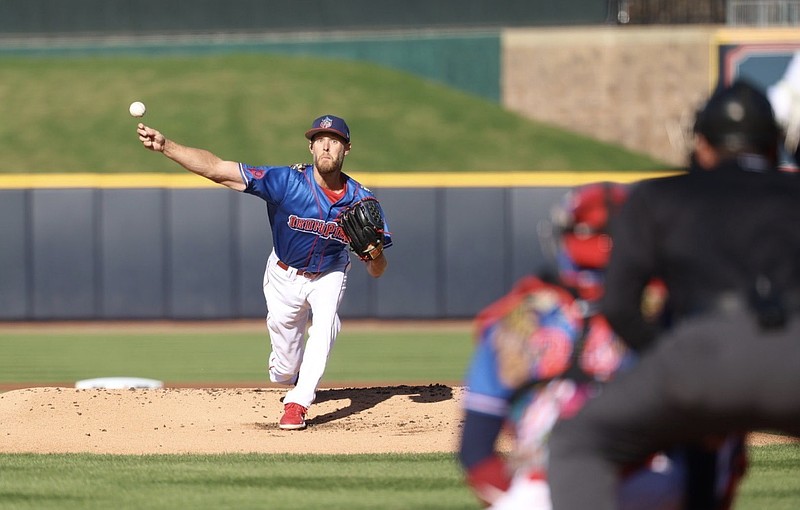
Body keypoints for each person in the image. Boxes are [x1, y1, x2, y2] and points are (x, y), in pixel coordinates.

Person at [547, 80, 800, 510]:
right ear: (775, 145)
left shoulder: (658, 195)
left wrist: (670, 359)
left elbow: (620, 306)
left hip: (700, 356)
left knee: (579, 442)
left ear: (702, 144)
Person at [458, 182, 743, 510]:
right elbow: (717, 440)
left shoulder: (515, 321)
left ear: (566, 239)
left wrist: (517, 500)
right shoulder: (673, 315)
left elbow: (475, 453)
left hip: (542, 490)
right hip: (647, 486)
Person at [136, 114, 391, 430]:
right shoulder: (286, 182)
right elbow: (218, 170)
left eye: (335, 140)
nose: (327, 146)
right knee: (283, 370)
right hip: (283, 275)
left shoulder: (362, 200)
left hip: (330, 272)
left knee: (327, 324)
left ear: (346, 149)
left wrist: (374, 253)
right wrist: (166, 146)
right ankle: (293, 378)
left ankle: (298, 404)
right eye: (320, 139)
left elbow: (378, 270)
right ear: (311, 147)